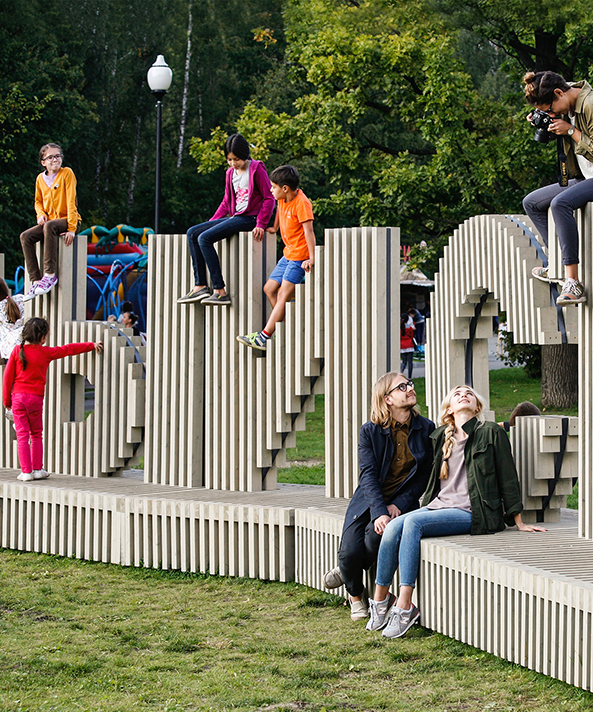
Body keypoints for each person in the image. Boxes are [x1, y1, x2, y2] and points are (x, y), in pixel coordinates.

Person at [367, 385, 547, 639]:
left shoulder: (491, 433)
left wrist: (518, 520)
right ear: (450, 408)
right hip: (439, 506)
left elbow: (508, 477)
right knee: (394, 526)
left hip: (474, 511)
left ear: (477, 407)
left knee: (413, 525)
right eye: (458, 393)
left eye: (470, 393)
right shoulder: (441, 436)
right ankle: (380, 601)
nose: (464, 395)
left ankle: (405, 605)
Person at [321, 373, 434, 620]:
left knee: (374, 540)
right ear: (388, 399)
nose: (410, 389)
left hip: (401, 502)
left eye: (410, 384)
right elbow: (368, 475)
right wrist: (380, 510)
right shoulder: (370, 431)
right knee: (350, 551)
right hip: (368, 500)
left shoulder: (426, 428)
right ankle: (355, 594)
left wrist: (399, 505)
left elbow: (424, 477)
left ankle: (348, 576)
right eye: (402, 386)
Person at [522, 71, 593, 306]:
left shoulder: (590, 105)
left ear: (559, 93)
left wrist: (570, 130)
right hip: (583, 176)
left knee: (559, 203)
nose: (552, 115)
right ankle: (557, 262)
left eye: (551, 110)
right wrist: (544, 120)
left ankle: (573, 282)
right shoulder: (566, 96)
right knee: (531, 202)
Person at [177, 134, 275, 307]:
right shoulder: (230, 173)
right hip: (235, 216)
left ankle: (220, 291)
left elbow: (269, 199)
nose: (233, 163)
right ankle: (200, 285)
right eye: (229, 160)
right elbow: (226, 201)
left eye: (236, 159)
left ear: (245, 155)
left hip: (250, 218)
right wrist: (212, 222)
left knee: (204, 238)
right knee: (193, 232)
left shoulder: (256, 168)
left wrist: (261, 223)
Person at [2, 317, 103, 481]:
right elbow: (68, 349)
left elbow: (7, 378)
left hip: (18, 398)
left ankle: (26, 472)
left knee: (22, 436)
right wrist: (91, 345)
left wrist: (7, 402)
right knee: (36, 434)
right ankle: (37, 469)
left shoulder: (16, 351)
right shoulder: (45, 352)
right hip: (35, 399)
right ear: (42, 337)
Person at [237, 165, 316, 349]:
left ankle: (264, 336)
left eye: (273, 187)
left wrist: (311, 258)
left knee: (282, 294)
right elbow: (280, 212)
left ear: (285, 188)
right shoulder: (283, 199)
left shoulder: (302, 203)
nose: (271, 190)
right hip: (288, 253)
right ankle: (288, 325)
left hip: (299, 257)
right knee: (269, 289)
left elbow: (309, 232)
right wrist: (274, 228)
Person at [19, 143, 80, 296]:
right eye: (51, 157)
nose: (55, 159)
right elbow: (38, 201)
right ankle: (35, 280)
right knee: (25, 237)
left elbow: (71, 201)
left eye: (58, 156)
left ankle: (50, 275)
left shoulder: (67, 173)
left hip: (68, 220)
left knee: (50, 226)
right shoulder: (40, 179)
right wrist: (40, 214)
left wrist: (72, 228)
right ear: (43, 162)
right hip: (50, 223)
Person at [399, 312, 416, 379]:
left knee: (404, 362)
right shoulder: (409, 328)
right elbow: (412, 337)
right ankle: (409, 377)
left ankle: (400, 373)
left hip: (402, 346)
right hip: (409, 346)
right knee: (410, 363)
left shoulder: (400, 328)